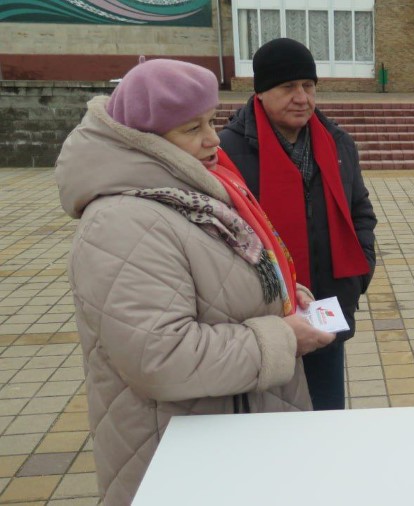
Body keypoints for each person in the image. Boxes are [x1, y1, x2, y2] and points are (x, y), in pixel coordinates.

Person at [55, 58, 335, 505]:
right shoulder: (121, 222)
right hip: (180, 456)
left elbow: (218, 282)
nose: (213, 138)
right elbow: (161, 356)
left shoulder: (191, 187)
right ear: (145, 138)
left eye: (210, 121)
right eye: (192, 129)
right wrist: (282, 337)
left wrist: (278, 296)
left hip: (233, 433)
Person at [219, 38, 377, 411]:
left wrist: (358, 274)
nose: (302, 98)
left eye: (308, 86)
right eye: (288, 87)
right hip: (263, 321)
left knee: (326, 417)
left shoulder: (337, 143)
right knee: (271, 424)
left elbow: (360, 211)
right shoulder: (227, 151)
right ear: (261, 92)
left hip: (325, 309)